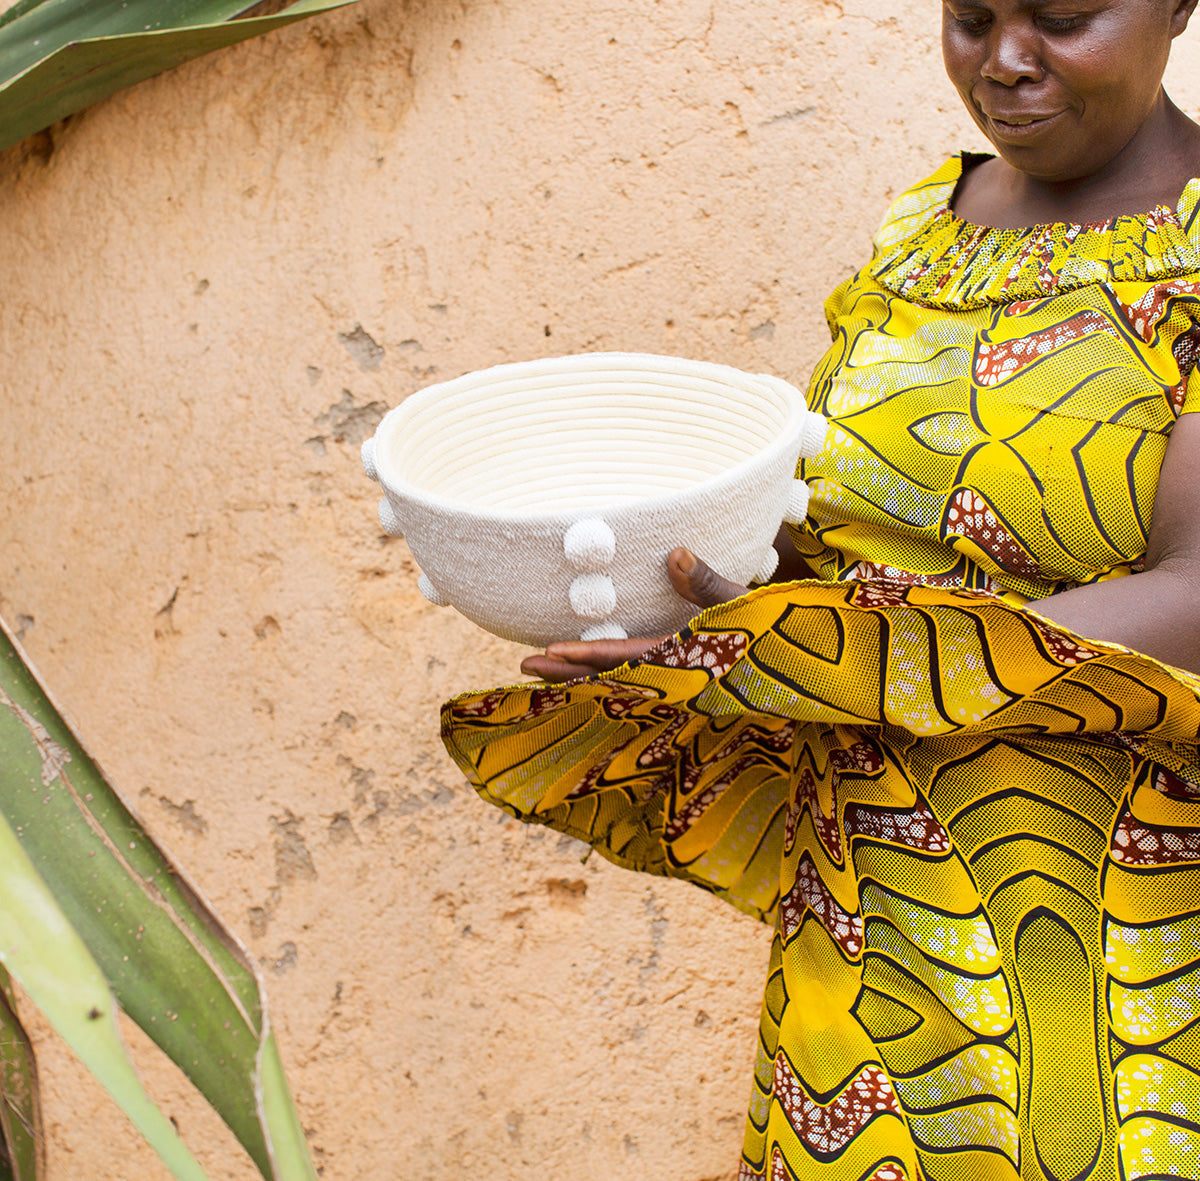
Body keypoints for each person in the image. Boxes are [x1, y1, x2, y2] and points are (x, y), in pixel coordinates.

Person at [441, 1, 1200, 1176]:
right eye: (970, 16)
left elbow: (1195, 594)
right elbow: (843, 543)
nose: (1005, 61)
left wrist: (814, 652)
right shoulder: (924, 228)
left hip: (1119, 917)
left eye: (1060, 15)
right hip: (866, 902)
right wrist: (691, 602)